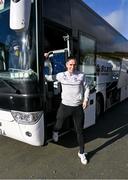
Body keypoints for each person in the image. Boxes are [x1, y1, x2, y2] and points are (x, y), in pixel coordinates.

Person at [45, 56, 90, 165]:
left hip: (77, 107)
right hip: (65, 106)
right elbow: (47, 77)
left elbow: (87, 88)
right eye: (70, 64)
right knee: (58, 124)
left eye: (74, 65)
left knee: (80, 131)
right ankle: (55, 132)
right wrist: (43, 61)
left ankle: (81, 152)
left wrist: (86, 99)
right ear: (66, 65)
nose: (72, 67)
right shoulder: (61, 75)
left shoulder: (81, 75)